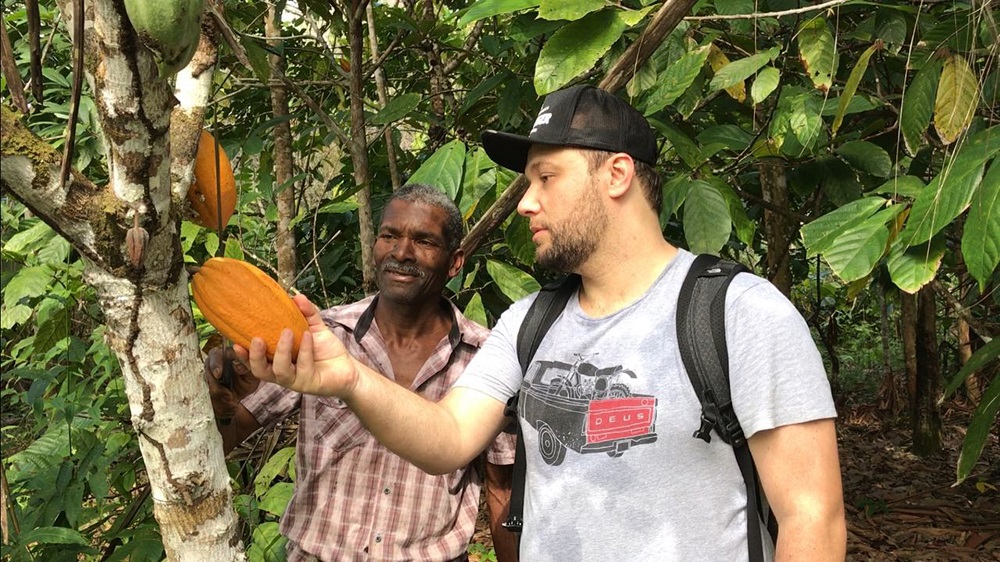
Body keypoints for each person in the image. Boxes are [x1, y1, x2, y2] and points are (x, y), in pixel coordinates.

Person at [238, 85, 847, 561]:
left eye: (545, 177)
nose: (526, 201)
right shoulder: (530, 321)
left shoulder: (738, 311)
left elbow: (811, 517)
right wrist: (349, 379)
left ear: (616, 175)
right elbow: (447, 438)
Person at [206, 183, 518, 562]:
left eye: (424, 241)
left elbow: (501, 490)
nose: (402, 252)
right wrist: (221, 403)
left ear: (455, 262)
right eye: (389, 236)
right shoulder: (321, 338)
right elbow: (231, 431)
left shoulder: (486, 358)